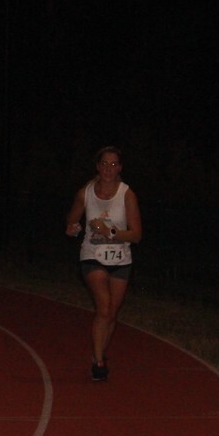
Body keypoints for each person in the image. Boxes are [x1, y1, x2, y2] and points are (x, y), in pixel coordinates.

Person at [65, 146, 142, 381]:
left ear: (120, 168)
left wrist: (109, 231)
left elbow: (136, 235)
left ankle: (98, 353)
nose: (109, 169)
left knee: (112, 313)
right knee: (104, 308)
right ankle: (98, 361)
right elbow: (71, 220)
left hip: (120, 259)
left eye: (114, 164)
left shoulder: (127, 194)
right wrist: (73, 227)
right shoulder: (85, 193)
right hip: (92, 256)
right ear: (98, 166)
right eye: (105, 164)